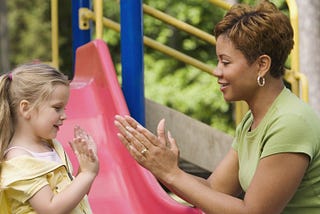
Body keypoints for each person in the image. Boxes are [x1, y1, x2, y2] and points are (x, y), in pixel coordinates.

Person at [114, 0, 320, 213]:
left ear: (262, 65)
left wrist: (171, 174)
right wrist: (164, 168)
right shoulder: (252, 120)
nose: (216, 71)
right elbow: (215, 189)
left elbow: (253, 212)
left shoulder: (291, 123)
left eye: (226, 62)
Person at [0, 63, 99, 213]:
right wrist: (87, 174)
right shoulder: (19, 160)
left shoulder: (50, 147)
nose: (64, 116)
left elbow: (71, 197)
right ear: (26, 108)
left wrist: (84, 168)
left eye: (64, 109)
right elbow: (51, 208)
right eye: (57, 108)